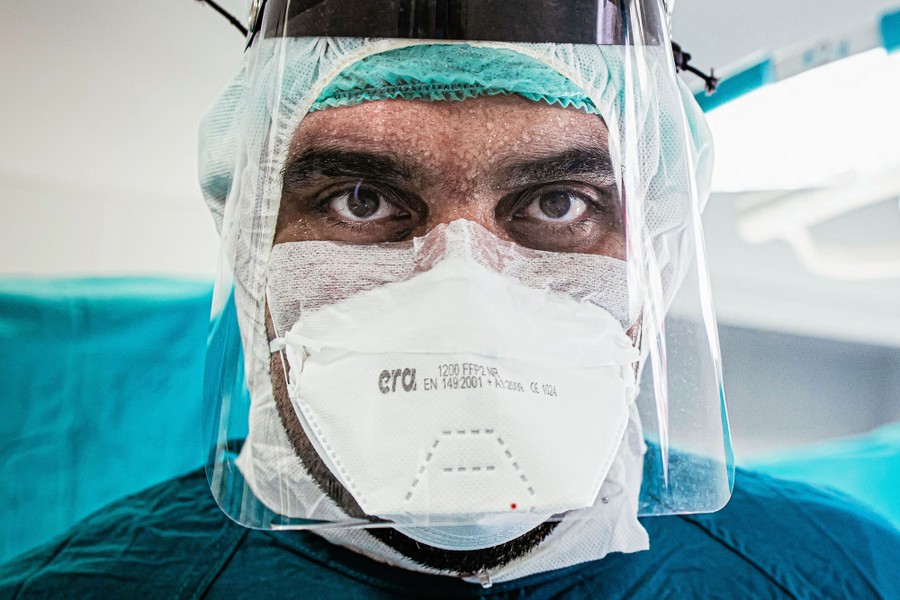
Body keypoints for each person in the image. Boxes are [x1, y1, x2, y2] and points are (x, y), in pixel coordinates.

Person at [2, 1, 899, 597]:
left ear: (655, 246)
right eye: (362, 198)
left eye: (558, 203)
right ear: (250, 243)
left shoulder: (847, 573)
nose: (462, 297)